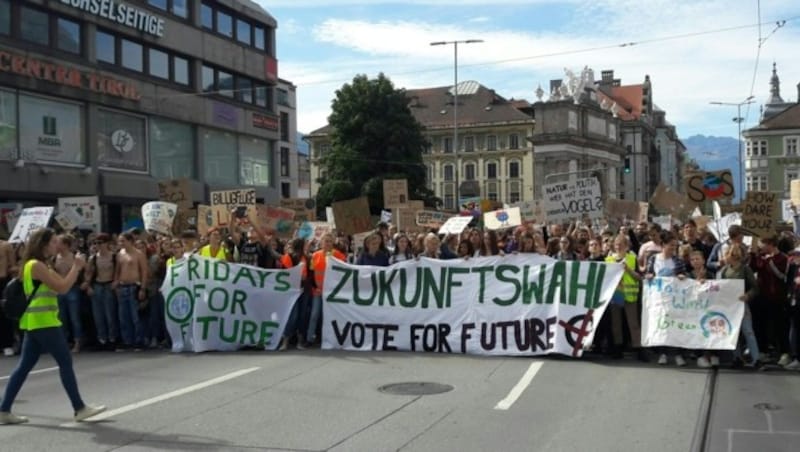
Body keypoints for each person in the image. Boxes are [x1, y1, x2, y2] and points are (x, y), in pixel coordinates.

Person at [0, 228, 105, 424]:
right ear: (44, 244)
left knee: (24, 367)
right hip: (43, 322)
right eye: (53, 241)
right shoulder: (36, 265)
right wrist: (77, 267)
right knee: (65, 362)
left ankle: (3, 410)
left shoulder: (40, 265)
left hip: (38, 322)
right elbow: (64, 287)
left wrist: (74, 269)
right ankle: (79, 408)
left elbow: (61, 286)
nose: (57, 245)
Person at [719, 245, 760, 368]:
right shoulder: (725, 270)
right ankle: (737, 357)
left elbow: (755, 288)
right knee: (733, 332)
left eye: (727, 254)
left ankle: (756, 358)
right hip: (730, 306)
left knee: (748, 331)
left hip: (742, 304)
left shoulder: (745, 269)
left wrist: (748, 295)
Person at [82, 233, 118, 350]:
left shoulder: (113, 256)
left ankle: (112, 339)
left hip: (109, 285)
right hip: (97, 285)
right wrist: (88, 286)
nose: (98, 245)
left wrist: (116, 282)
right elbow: (88, 273)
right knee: (98, 315)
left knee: (110, 314)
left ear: (107, 243)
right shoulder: (93, 258)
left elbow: (118, 271)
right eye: (96, 243)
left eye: (100, 243)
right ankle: (102, 339)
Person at [113, 232, 148, 351]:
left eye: (123, 241)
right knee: (123, 316)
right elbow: (117, 271)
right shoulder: (119, 254)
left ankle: (139, 341)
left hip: (134, 287)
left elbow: (144, 272)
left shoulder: (138, 254)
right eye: (119, 241)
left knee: (136, 317)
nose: (120, 243)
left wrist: (143, 288)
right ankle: (127, 341)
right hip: (122, 287)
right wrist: (116, 284)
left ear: (130, 241)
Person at [54, 234, 84, 353]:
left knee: (74, 317)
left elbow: (84, 269)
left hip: (72, 288)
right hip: (59, 289)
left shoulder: (74, 257)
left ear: (66, 245)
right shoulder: (55, 257)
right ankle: (64, 342)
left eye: (59, 242)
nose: (56, 244)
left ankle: (78, 341)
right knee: (61, 317)